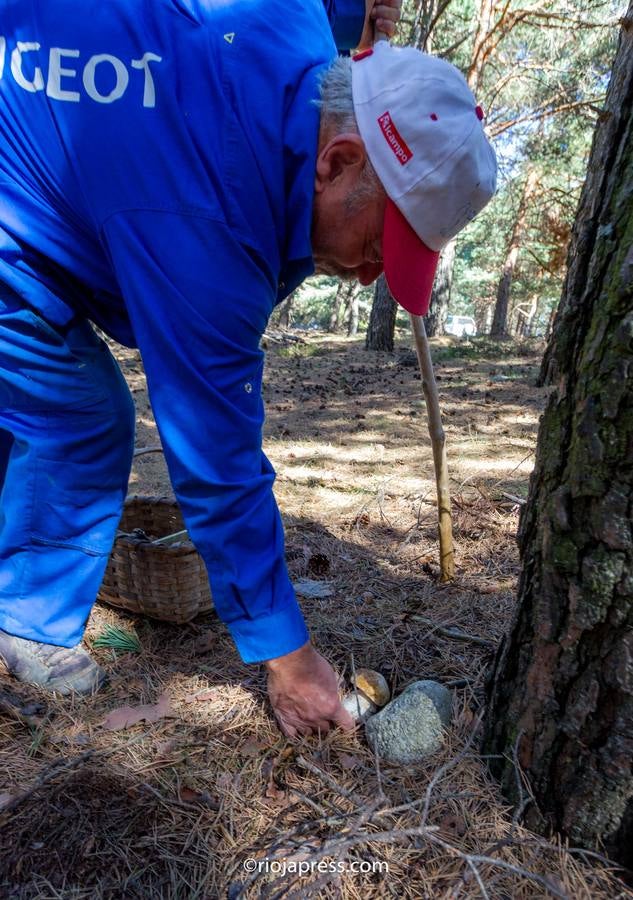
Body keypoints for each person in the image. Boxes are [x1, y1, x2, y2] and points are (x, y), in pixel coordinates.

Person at [0, 0, 496, 738]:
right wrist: (290, 660)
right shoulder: (209, 228)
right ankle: (27, 620)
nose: (369, 278)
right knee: (81, 420)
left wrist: (355, 11)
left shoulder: (296, 26)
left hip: (61, 172)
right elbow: (217, 463)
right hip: (17, 211)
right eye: (381, 240)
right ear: (335, 161)